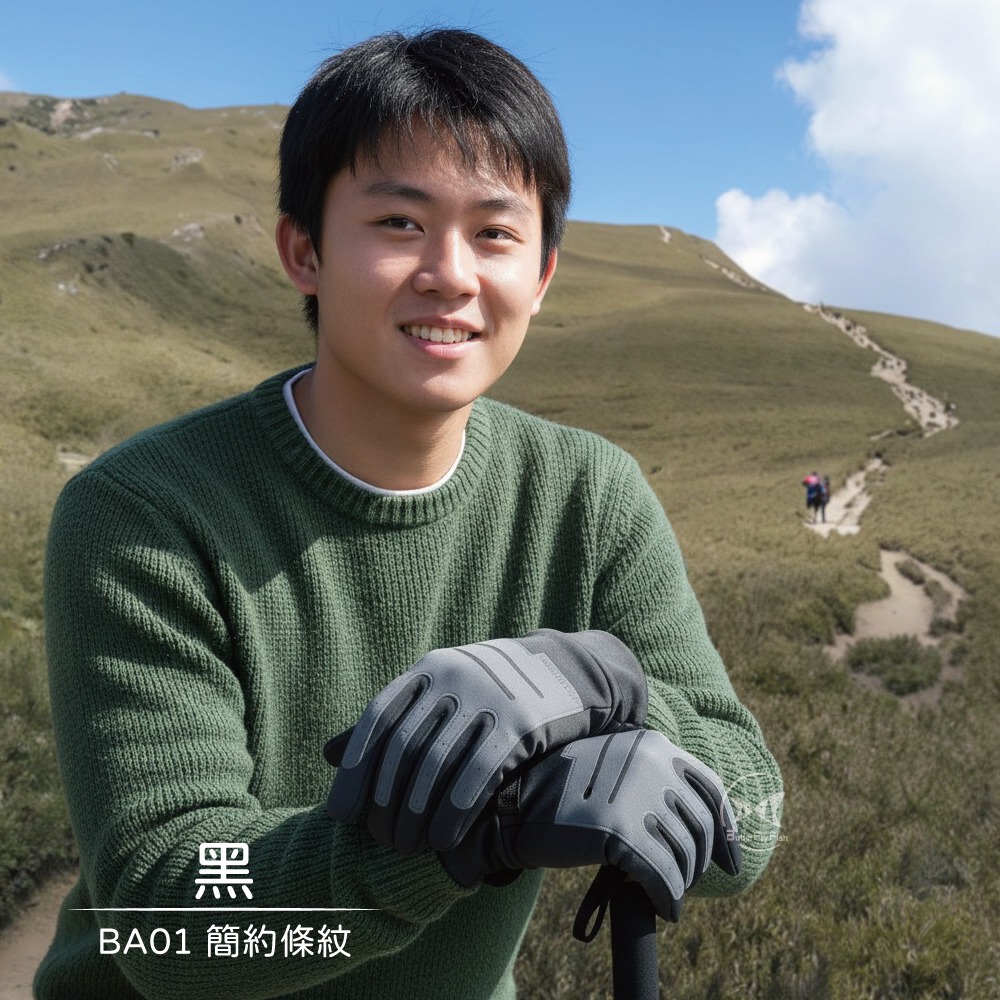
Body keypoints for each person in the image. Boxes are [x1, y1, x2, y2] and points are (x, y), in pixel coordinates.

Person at [37, 28, 782, 1000]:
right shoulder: (144, 512)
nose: (451, 274)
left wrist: (604, 693)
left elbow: (749, 814)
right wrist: (476, 827)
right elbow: (172, 910)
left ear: (542, 276)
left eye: (496, 233)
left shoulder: (590, 496)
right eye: (398, 222)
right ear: (303, 251)